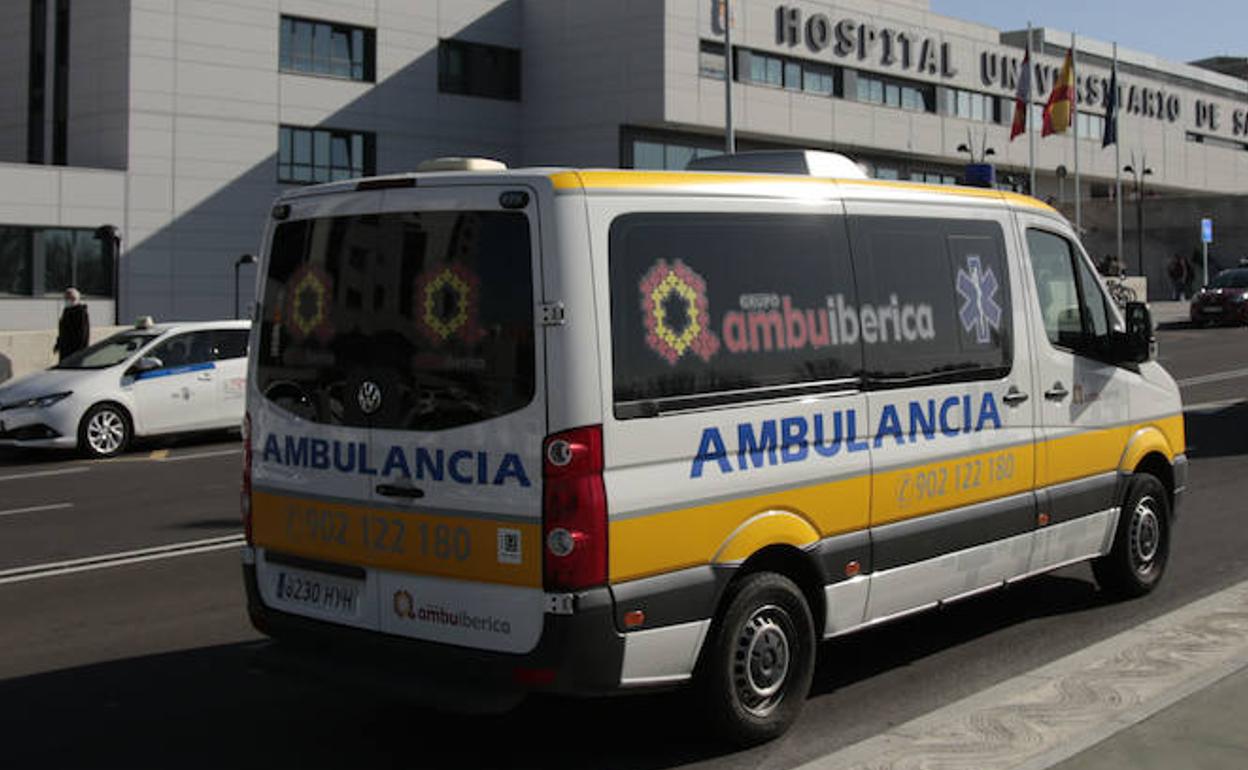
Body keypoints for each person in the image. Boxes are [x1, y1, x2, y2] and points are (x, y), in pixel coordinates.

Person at [54, 287, 90, 363]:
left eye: (69, 298)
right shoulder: (66, 311)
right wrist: (58, 344)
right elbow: (63, 330)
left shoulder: (81, 312)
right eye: (66, 298)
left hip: (75, 350)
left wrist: (80, 352)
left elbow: (83, 334)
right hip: (65, 349)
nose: (66, 300)